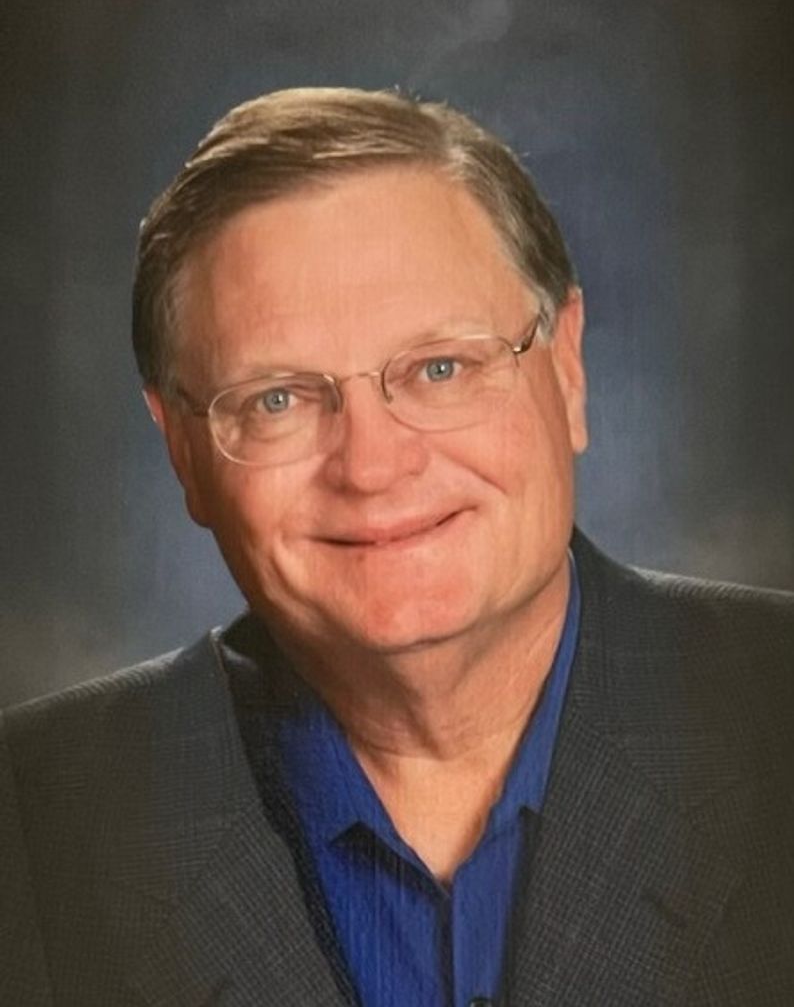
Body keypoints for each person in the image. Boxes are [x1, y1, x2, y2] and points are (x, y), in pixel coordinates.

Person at [1, 87, 792, 1007]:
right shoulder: (30, 824)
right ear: (183, 450)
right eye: (278, 399)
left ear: (568, 368)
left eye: (440, 368)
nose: (372, 467)